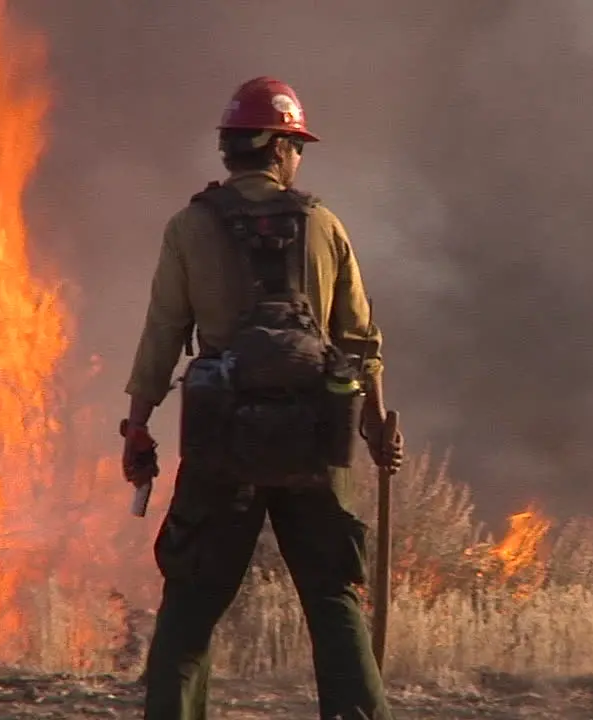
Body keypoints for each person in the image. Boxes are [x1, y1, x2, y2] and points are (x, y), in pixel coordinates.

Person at [121, 76, 406, 720]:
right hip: (316, 440)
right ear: (277, 148)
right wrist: (376, 423)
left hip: (223, 438)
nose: (299, 157)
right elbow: (359, 340)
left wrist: (137, 428)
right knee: (335, 599)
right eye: (296, 145)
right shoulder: (322, 224)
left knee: (192, 600)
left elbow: (162, 334)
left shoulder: (190, 226)